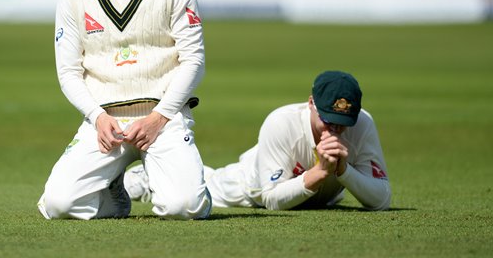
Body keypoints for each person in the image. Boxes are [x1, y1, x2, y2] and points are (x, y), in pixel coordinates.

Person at [37, 0, 212, 220]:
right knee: (59, 205)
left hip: (164, 117)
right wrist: (97, 116)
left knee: (184, 207)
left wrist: (160, 116)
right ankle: (115, 194)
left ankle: (181, 183)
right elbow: (68, 72)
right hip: (105, 121)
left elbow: (194, 60)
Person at [126, 70, 391, 211]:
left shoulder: (363, 124)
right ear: (311, 103)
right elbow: (271, 200)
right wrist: (321, 172)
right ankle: (148, 178)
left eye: (343, 123)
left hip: (317, 199)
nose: (334, 130)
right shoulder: (282, 123)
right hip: (247, 188)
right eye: (328, 120)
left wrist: (343, 171)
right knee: (206, 188)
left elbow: (381, 198)